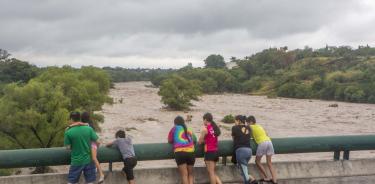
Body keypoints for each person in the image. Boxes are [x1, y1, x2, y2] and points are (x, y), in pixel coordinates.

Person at [68, 112, 105, 183]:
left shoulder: (87, 126)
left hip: (92, 144)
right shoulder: (89, 125)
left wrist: (70, 126)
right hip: (93, 144)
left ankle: (101, 174)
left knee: (93, 158)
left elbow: (79, 124)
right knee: (93, 159)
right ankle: (100, 174)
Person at [246, 116, 277, 184]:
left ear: (250, 122)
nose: (247, 124)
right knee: (269, 163)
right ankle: (274, 180)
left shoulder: (250, 127)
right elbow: (266, 134)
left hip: (262, 143)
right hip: (269, 142)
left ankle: (267, 177)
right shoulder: (259, 126)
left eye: (247, 123)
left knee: (257, 161)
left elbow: (247, 135)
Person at [168, 116, 197, 184]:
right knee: (190, 174)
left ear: (175, 123)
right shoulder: (189, 129)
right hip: (191, 152)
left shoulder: (174, 128)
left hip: (180, 153)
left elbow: (169, 140)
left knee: (184, 175)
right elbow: (195, 139)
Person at [232, 115, 258, 184]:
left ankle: (253, 181)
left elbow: (233, 138)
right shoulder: (249, 127)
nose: (234, 122)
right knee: (244, 171)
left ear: (239, 121)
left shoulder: (234, 128)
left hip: (240, 152)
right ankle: (253, 181)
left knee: (245, 176)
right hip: (249, 151)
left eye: (235, 120)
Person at [198, 113, 222, 184]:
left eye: (203, 120)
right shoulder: (214, 128)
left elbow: (199, 142)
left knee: (211, 173)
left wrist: (202, 137)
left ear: (205, 119)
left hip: (209, 152)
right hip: (215, 151)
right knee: (212, 172)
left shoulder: (205, 129)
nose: (203, 122)